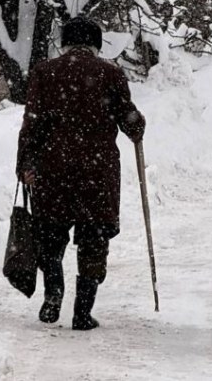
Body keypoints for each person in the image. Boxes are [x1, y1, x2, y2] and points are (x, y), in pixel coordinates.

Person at [16, 16, 145, 330]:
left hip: (52, 169)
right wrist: (137, 123)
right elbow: (130, 122)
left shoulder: (44, 73)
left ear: (65, 43)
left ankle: (54, 293)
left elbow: (31, 124)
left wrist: (26, 165)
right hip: (96, 174)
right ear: (95, 45)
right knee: (93, 240)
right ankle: (82, 312)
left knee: (50, 234)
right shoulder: (111, 74)